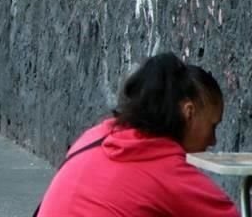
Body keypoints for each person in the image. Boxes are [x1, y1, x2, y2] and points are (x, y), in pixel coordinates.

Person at [34, 52, 238, 217]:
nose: (213, 140)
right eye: (213, 126)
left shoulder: (97, 135)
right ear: (189, 112)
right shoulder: (165, 168)